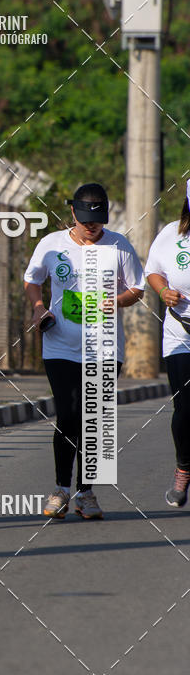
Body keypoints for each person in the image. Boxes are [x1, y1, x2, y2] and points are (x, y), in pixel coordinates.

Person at [24, 182, 144, 519]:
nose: (92, 226)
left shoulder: (119, 245)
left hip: (105, 347)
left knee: (96, 420)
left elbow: (137, 288)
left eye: (98, 220)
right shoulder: (52, 244)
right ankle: (61, 489)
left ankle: (86, 492)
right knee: (68, 415)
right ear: (72, 213)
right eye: (86, 219)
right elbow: (32, 279)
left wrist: (118, 300)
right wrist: (38, 307)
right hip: (60, 345)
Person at [146, 181, 190, 507]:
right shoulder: (171, 234)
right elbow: (154, 271)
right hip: (181, 333)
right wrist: (163, 291)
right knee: (185, 409)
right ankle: (184, 468)